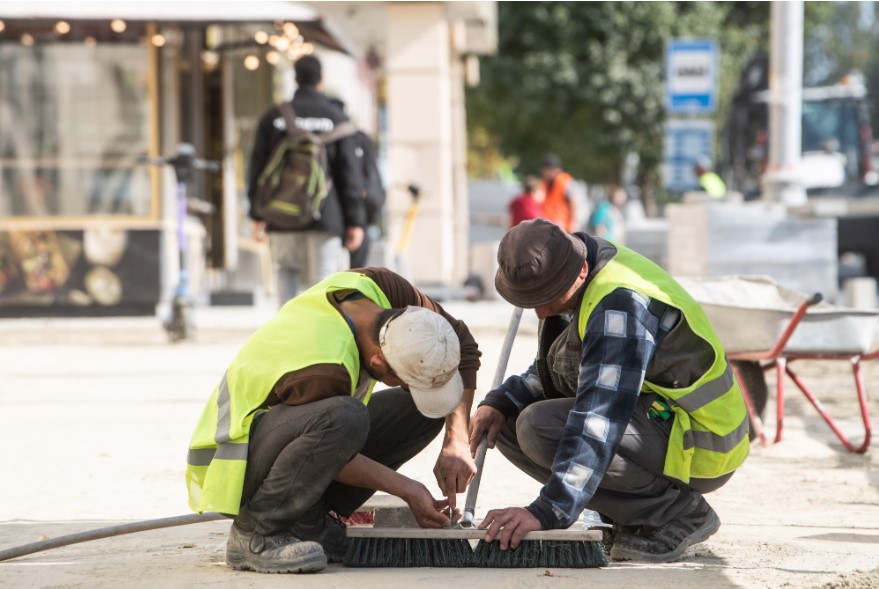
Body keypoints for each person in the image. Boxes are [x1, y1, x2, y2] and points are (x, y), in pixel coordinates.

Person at [470, 218, 749, 563]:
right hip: (655, 419)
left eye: (547, 299)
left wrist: (548, 511)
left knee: (538, 426)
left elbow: (598, 421)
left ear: (580, 271)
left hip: (703, 441)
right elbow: (563, 366)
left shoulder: (619, 304)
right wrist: (501, 401)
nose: (541, 313)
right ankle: (633, 513)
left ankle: (678, 513)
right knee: (508, 421)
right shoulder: (575, 266)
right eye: (532, 302)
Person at [186, 266, 482, 574]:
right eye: (406, 382)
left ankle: (309, 519)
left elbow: (463, 345)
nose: (407, 389)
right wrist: (407, 489)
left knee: (420, 412)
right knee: (345, 417)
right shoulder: (324, 368)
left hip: (297, 436)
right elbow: (329, 449)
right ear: (379, 361)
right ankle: (257, 531)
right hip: (236, 465)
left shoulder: (386, 291)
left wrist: (457, 441)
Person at [247, 55, 365, 306]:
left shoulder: (274, 116)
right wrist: (355, 220)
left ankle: (288, 327)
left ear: (295, 79)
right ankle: (320, 328)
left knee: (285, 270)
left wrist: (256, 214)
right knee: (324, 278)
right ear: (321, 79)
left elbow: (257, 167)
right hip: (326, 213)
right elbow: (349, 174)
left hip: (282, 212)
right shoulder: (337, 118)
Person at [540, 154, 577, 232]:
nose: (544, 173)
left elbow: (574, 204)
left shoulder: (566, 183)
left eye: (546, 170)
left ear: (555, 170)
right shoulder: (545, 183)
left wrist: (572, 226)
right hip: (549, 226)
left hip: (562, 227)